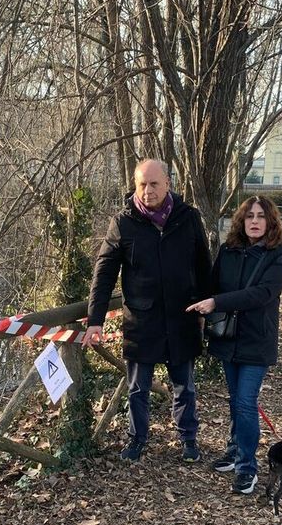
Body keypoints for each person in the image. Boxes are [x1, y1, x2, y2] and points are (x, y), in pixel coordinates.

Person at [83, 158, 212, 462]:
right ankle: (137, 439)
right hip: (142, 320)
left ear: (168, 183)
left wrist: (208, 307)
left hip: (183, 316)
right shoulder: (123, 222)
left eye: (154, 183)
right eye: (142, 184)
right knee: (138, 388)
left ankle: (188, 439)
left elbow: (203, 266)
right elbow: (104, 273)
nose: (148, 190)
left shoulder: (188, 218)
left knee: (185, 387)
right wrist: (95, 320)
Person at [186, 195, 282, 494]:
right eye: (249, 216)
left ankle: (247, 468)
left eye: (260, 216)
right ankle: (234, 449)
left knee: (245, 403)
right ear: (241, 221)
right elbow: (212, 284)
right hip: (228, 337)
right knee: (235, 401)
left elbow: (262, 294)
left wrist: (216, 302)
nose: (255, 222)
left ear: (270, 222)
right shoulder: (228, 251)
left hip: (257, 342)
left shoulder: (279, 254)